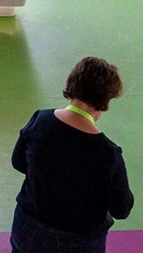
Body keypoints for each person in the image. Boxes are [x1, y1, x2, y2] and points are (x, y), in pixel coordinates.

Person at [11, 57, 134, 253]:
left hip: (28, 226)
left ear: (72, 84)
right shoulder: (108, 153)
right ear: (105, 101)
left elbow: (18, 162)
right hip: (78, 240)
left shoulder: (39, 121)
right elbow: (122, 208)